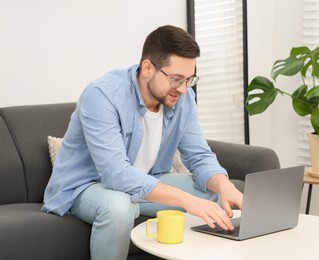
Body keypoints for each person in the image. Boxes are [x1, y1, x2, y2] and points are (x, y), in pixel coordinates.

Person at [42, 25, 243, 260]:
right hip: (86, 187)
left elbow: (198, 156)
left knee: (214, 197)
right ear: (147, 67)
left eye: (189, 79)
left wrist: (223, 184)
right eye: (176, 79)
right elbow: (115, 174)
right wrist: (187, 201)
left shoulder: (183, 98)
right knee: (119, 206)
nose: (183, 89)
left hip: (148, 179)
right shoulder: (102, 95)